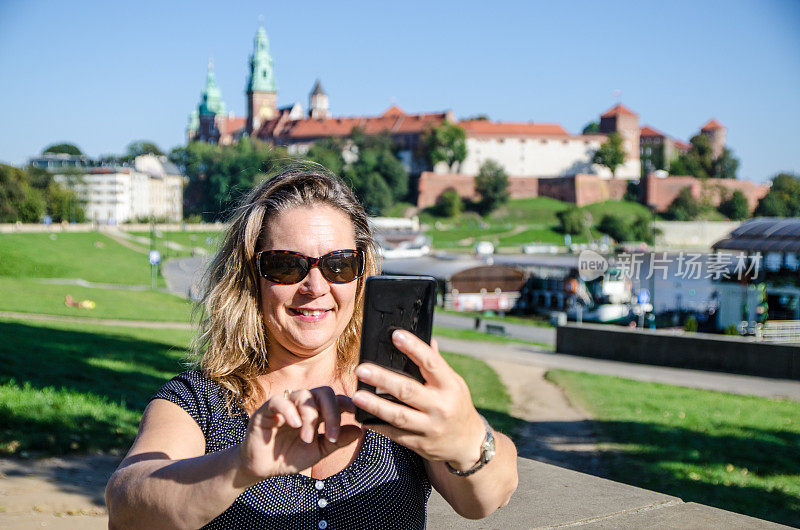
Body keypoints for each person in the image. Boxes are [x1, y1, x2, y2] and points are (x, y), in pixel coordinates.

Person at [105, 167, 518, 529]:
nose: (316, 287)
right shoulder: (199, 401)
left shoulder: (395, 388)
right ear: (251, 276)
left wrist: (467, 438)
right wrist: (240, 466)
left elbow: (485, 498)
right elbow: (127, 507)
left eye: (339, 264)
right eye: (287, 265)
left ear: (362, 274)